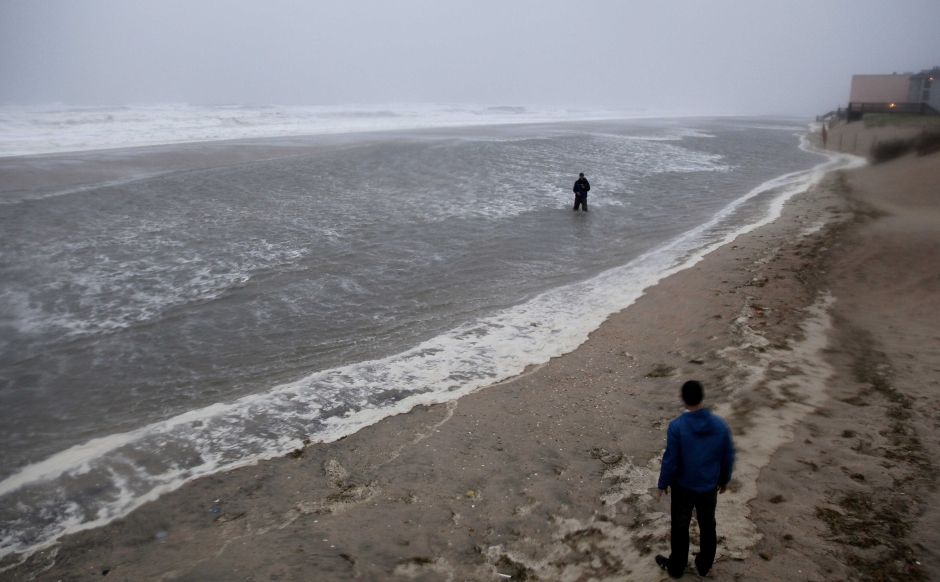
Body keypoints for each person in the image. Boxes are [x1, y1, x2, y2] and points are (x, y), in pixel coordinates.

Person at [655, 380, 735, 579]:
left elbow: (671, 459)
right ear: (703, 397)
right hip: (708, 485)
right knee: (708, 525)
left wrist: (663, 483)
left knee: (680, 527)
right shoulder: (719, 425)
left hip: (683, 486)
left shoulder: (677, 426)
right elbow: (728, 455)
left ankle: (677, 566)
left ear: (682, 398)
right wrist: (723, 479)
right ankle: (704, 565)